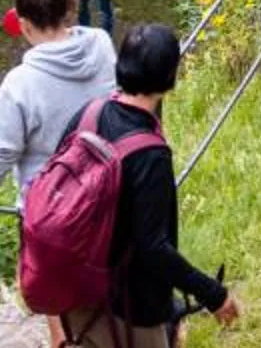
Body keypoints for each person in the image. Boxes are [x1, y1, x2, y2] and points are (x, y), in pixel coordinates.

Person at [60, 25, 236, 347]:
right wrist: (213, 294)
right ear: (170, 77)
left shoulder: (88, 114)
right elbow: (152, 247)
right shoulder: (150, 155)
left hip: (78, 292)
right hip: (129, 310)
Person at [0, 0, 117, 219]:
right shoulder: (101, 44)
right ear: (66, 12)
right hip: (104, 192)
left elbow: (1, 152)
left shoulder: (20, 84)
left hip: (50, 210)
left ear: (22, 24)